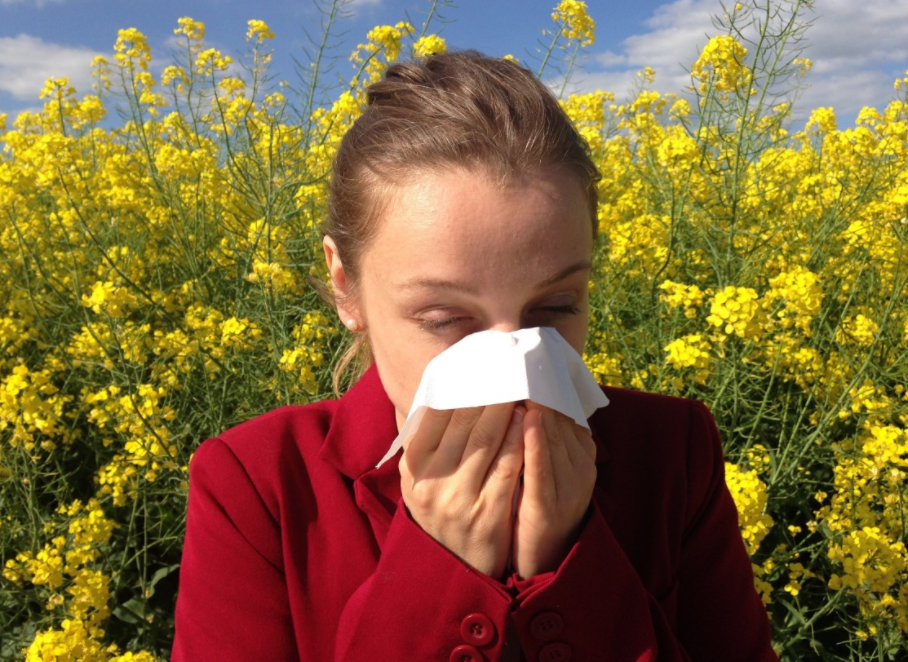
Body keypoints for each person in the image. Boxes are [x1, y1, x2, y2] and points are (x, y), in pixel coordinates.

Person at [171, 50, 779, 661]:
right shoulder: (260, 486)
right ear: (346, 288)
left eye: (556, 308)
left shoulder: (672, 453)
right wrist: (440, 569)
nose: (514, 367)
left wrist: (571, 560)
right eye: (444, 319)